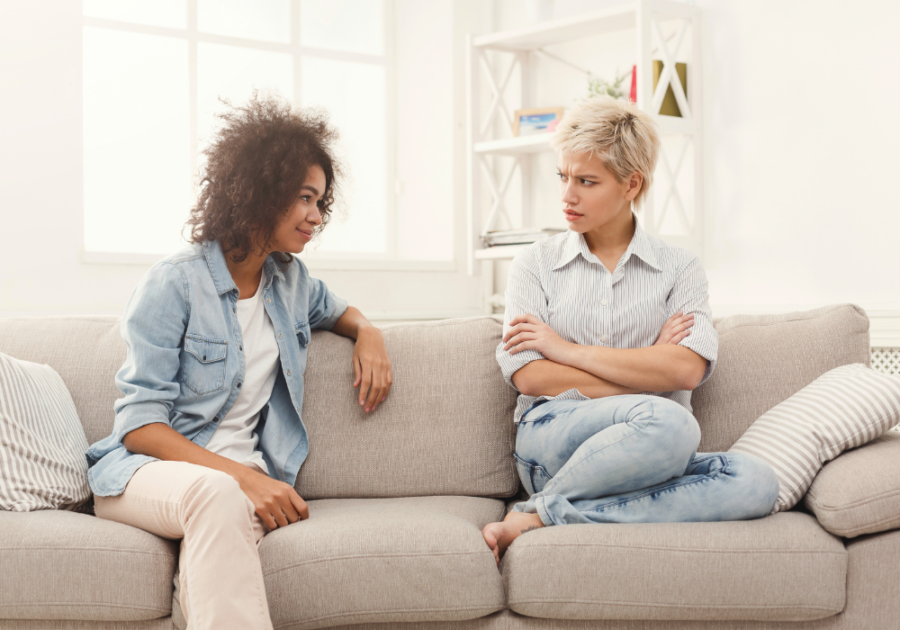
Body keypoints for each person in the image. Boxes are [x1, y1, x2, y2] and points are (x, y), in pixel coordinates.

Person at [86, 94, 393, 629]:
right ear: (261, 189)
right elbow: (139, 426)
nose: (316, 217)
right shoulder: (175, 283)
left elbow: (341, 312)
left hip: (238, 486)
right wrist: (242, 479)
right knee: (218, 495)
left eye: (321, 201)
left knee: (214, 561)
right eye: (303, 197)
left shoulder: (291, 282)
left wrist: (368, 333)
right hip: (145, 476)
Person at [481, 96, 779, 564]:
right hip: (555, 436)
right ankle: (549, 498)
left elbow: (684, 370)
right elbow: (531, 377)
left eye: (586, 181)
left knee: (757, 482)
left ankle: (543, 514)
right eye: (564, 177)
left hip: (648, 454)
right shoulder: (534, 264)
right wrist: (648, 370)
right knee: (672, 420)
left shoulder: (679, 268)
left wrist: (565, 349)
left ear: (630, 184)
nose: (567, 196)